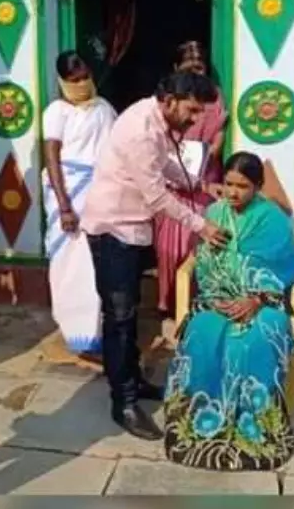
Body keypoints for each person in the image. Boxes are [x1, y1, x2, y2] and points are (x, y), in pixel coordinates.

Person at [81, 71, 228, 441]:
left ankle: (133, 380)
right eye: (191, 111)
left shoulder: (156, 120)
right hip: (113, 229)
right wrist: (202, 225)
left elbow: (165, 165)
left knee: (129, 313)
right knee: (119, 316)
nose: (194, 119)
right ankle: (124, 403)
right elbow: (157, 196)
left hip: (132, 227)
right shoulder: (141, 130)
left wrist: (199, 183)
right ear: (170, 100)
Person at [163, 151, 294, 471]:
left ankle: (256, 433)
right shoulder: (214, 213)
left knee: (258, 339)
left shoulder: (273, 220)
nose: (233, 193)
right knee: (202, 334)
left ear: (258, 187)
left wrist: (255, 299)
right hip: (217, 297)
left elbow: (282, 267)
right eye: (228, 184)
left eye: (243, 186)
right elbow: (202, 259)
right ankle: (196, 430)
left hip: (263, 301)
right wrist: (217, 295)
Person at [41, 51, 117, 360]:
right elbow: (51, 157)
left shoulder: (104, 109)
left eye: (85, 77)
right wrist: (64, 206)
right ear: (63, 82)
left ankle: (95, 332)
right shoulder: (56, 111)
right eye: (74, 80)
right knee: (70, 265)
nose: (82, 84)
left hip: (98, 194)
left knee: (94, 267)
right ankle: (76, 333)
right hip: (69, 194)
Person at [153, 41, 227, 319]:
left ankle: (198, 301)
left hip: (204, 176)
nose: (196, 73)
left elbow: (218, 134)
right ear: (176, 68)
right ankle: (169, 302)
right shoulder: (167, 101)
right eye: (189, 68)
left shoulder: (214, 97)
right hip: (171, 178)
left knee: (199, 241)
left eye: (200, 67)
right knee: (168, 246)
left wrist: (202, 158)